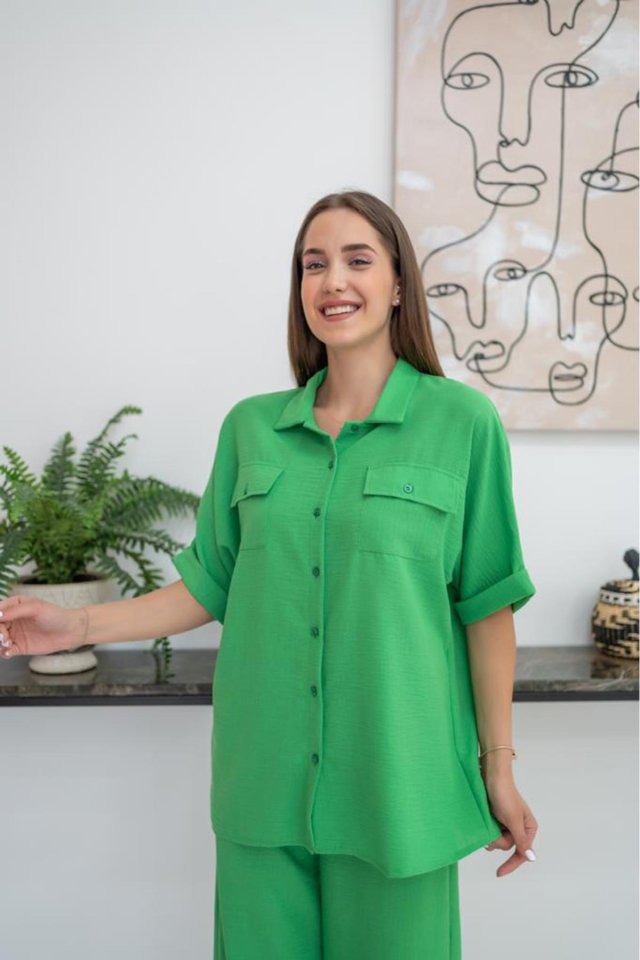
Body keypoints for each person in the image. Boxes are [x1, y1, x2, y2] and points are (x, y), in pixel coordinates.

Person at [0, 190, 539, 959]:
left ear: (398, 285)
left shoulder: (462, 424)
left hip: (401, 785)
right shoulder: (250, 429)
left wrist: (499, 770)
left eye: (357, 260)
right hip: (262, 783)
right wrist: (76, 624)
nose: (332, 281)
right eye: (313, 265)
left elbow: (487, 608)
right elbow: (209, 585)